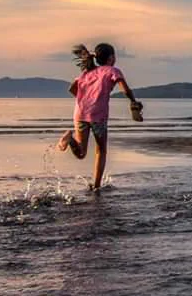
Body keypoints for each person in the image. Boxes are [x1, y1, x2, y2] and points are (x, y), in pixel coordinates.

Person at [56, 43, 141, 191]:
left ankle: (69, 138)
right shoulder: (112, 70)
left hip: (80, 112)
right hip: (98, 115)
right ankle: (96, 186)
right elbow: (125, 88)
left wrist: (87, 98)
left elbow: (72, 89)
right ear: (111, 57)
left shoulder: (86, 73)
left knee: (81, 152)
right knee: (100, 150)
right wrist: (133, 101)